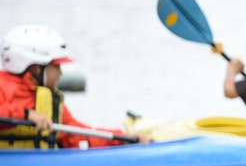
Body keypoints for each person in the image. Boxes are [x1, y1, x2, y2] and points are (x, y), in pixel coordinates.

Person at [0, 24, 148, 149]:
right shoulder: (4, 85)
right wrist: (26, 114)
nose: (60, 73)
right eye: (56, 66)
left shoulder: (47, 99)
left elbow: (75, 135)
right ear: (37, 68)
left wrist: (123, 139)